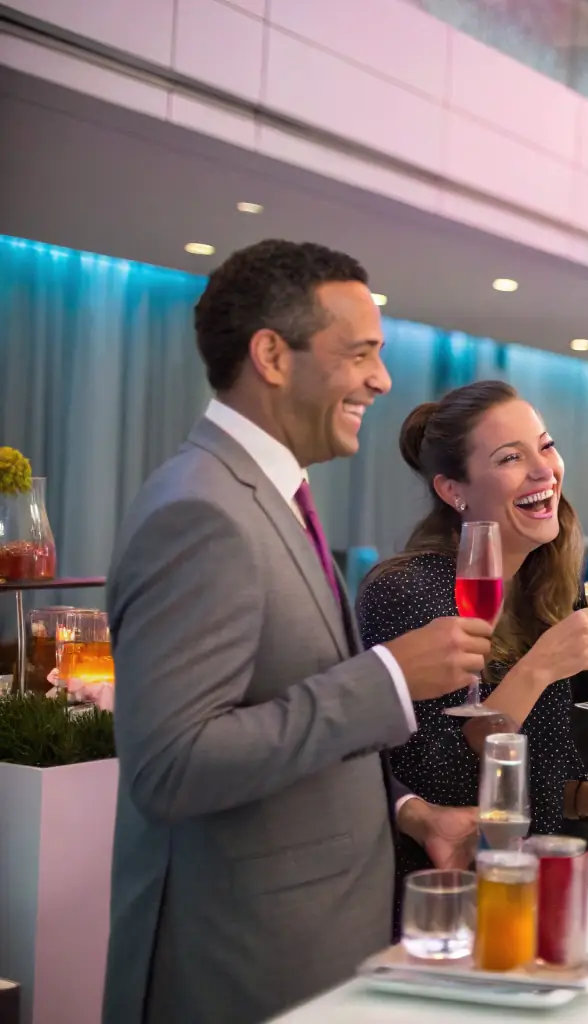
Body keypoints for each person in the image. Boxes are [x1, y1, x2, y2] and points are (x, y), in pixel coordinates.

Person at [103, 241, 492, 1024]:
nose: (382, 381)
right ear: (272, 356)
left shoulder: (270, 497)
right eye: (360, 355)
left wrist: (409, 813)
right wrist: (386, 678)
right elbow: (171, 766)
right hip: (239, 963)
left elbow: (284, 717)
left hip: (308, 947)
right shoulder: (200, 511)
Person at [356, 381, 588, 878]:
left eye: (545, 446)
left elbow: (545, 780)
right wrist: (539, 667)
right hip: (443, 891)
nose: (544, 469)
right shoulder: (409, 593)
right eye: (510, 458)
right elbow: (438, 783)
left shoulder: (537, 594)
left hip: (526, 879)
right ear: (452, 490)